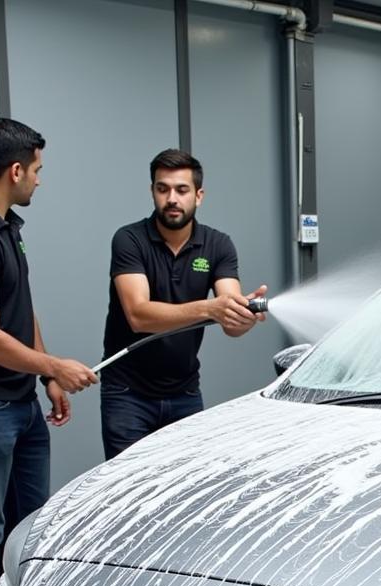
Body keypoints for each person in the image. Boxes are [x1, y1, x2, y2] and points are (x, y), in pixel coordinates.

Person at [0, 118, 97, 586]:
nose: (41, 182)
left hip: (21, 403)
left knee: (31, 530)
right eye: (38, 171)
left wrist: (46, 379)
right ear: (15, 170)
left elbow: (22, 311)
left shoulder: (6, 228)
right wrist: (52, 367)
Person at [99, 148, 265, 459]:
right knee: (128, 494)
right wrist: (210, 308)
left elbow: (230, 320)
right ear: (152, 192)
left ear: (199, 196)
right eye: (163, 189)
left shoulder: (218, 244)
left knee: (184, 492)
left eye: (182, 190)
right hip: (127, 395)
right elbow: (138, 315)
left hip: (185, 393)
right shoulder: (129, 240)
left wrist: (243, 315)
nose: (172, 198)